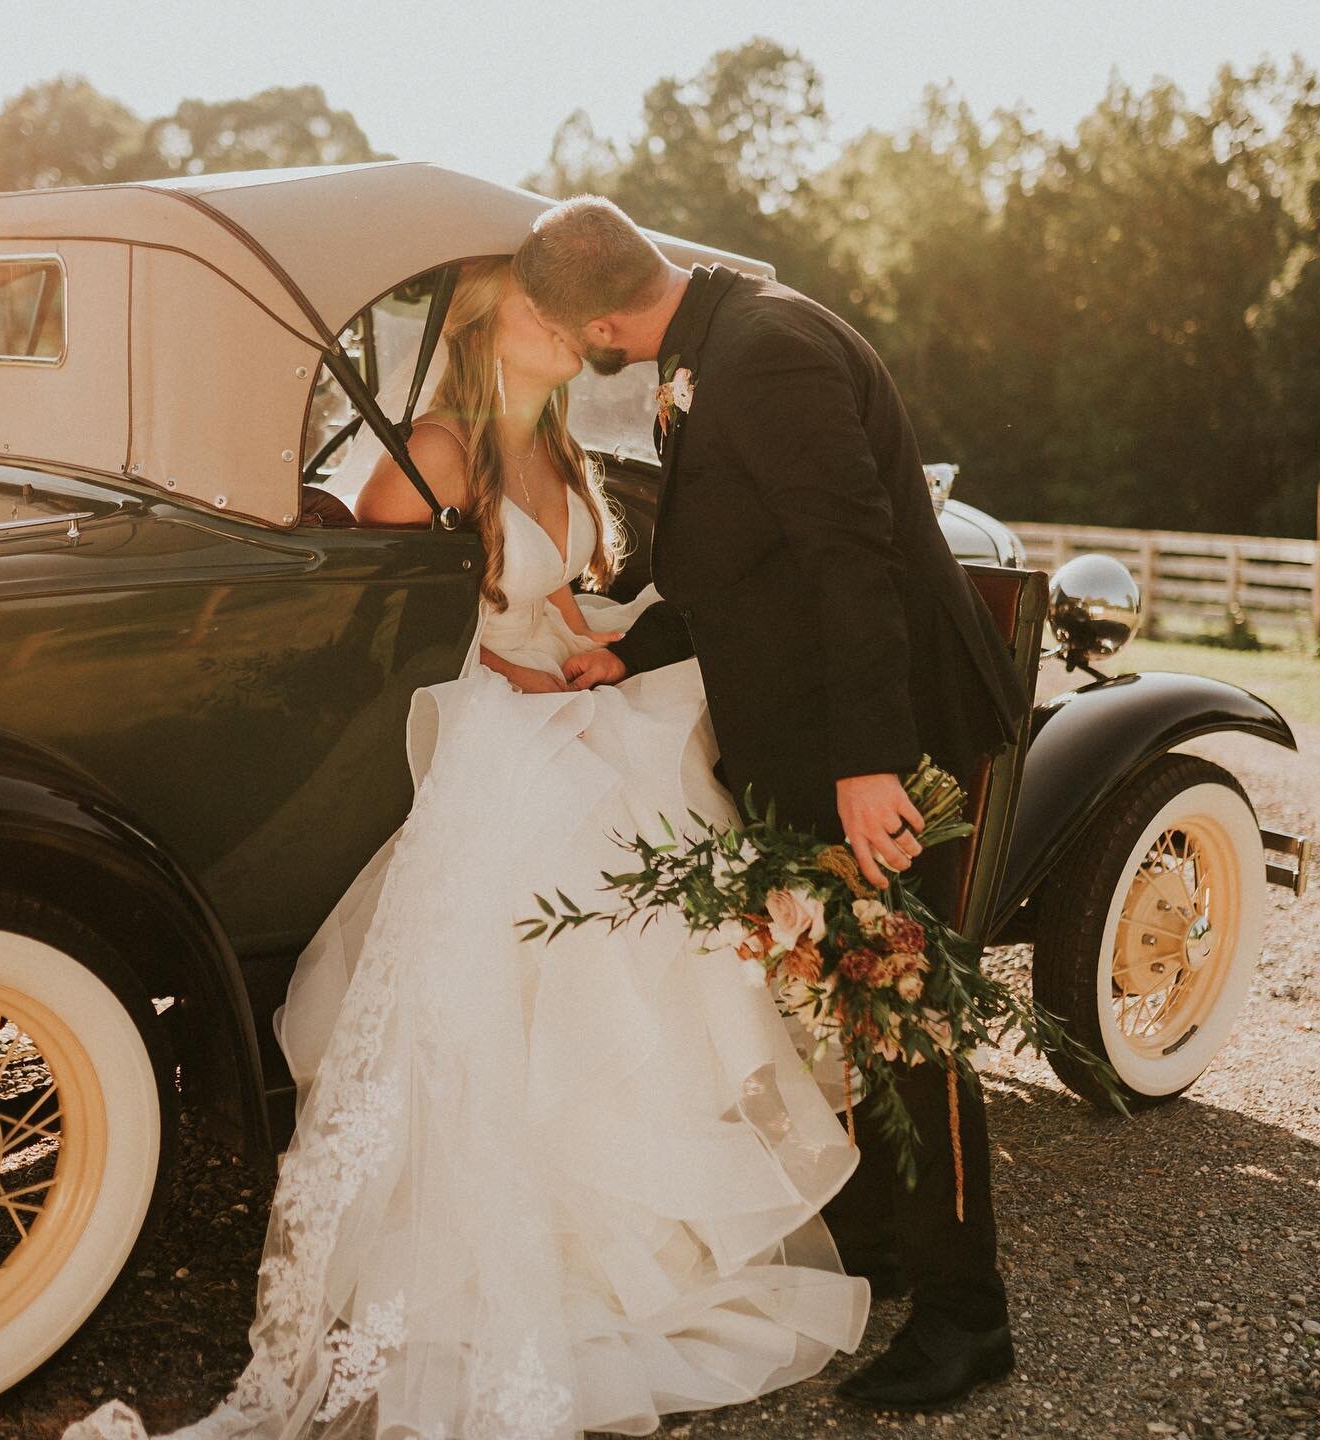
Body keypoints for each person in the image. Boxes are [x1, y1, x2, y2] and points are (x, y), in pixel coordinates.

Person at [63, 257, 870, 1440]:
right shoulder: (437, 449)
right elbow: (370, 612)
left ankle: (638, 1238)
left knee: (656, 881)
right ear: (491, 326)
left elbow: (566, 604)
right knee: (553, 931)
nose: (570, 325)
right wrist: (492, 659)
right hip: (496, 726)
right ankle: (501, 1252)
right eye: (541, 307)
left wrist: (614, 641)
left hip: (571, 698)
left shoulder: (559, 450)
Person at [513, 196, 1031, 1412]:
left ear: (594, 318)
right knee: (854, 1006)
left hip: (883, 743)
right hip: (815, 735)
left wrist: (867, 765)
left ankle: (970, 1317)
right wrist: (626, 657)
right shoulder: (713, 341)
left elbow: (853, 558)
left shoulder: (770, 351)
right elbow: (743, 560)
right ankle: (902, 1242)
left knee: (913, 1014)